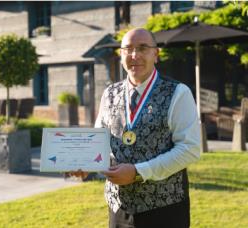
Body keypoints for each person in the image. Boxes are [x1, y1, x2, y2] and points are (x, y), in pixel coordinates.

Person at [72, 28, 200, 228]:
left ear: (155, 54)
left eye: (142, 48)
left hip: (165, 210)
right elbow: (99, 142)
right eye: (128, 49)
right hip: (119, 208)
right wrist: (86, 163)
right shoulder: (109, 93)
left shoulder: (178, 93)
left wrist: (138, 172)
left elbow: (189, 149)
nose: (135, 55)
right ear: (120, 55)